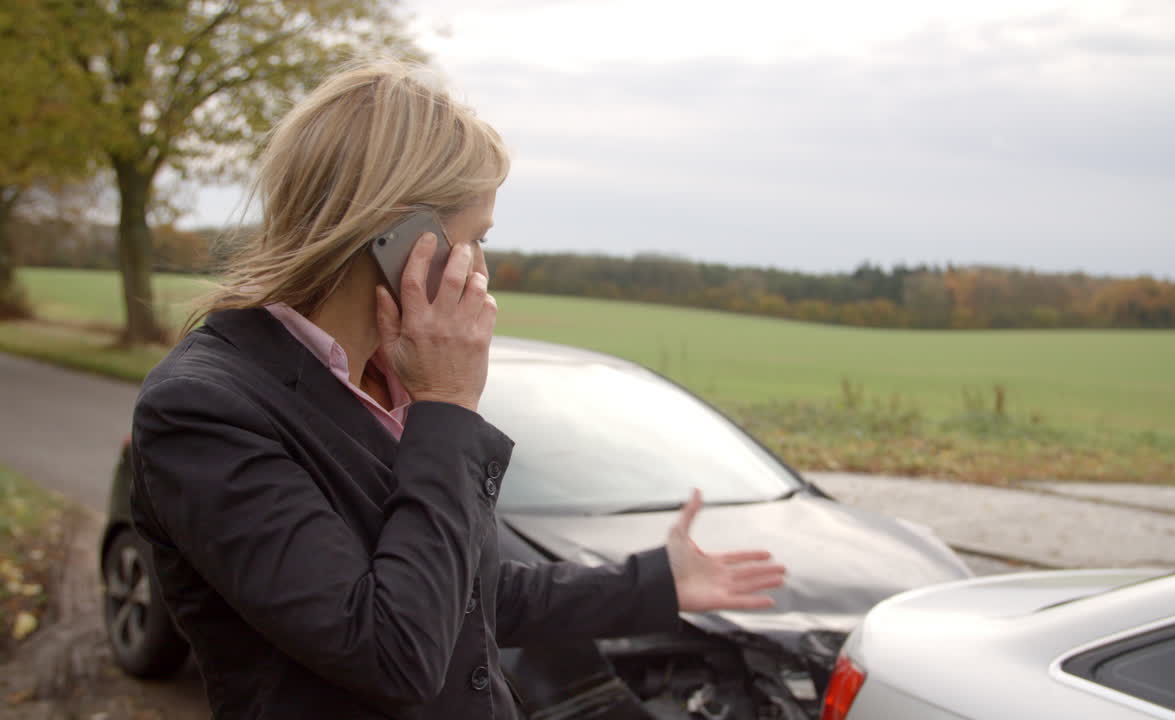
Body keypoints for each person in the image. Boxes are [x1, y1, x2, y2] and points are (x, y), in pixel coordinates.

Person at [128, 59, 787, 719]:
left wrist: (655, 580)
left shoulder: (392, 378)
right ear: (396, 234)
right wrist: (445, 409)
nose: (480, 266)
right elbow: (393, 651)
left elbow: (464, 594)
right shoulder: (207, 409)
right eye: (475, 237)